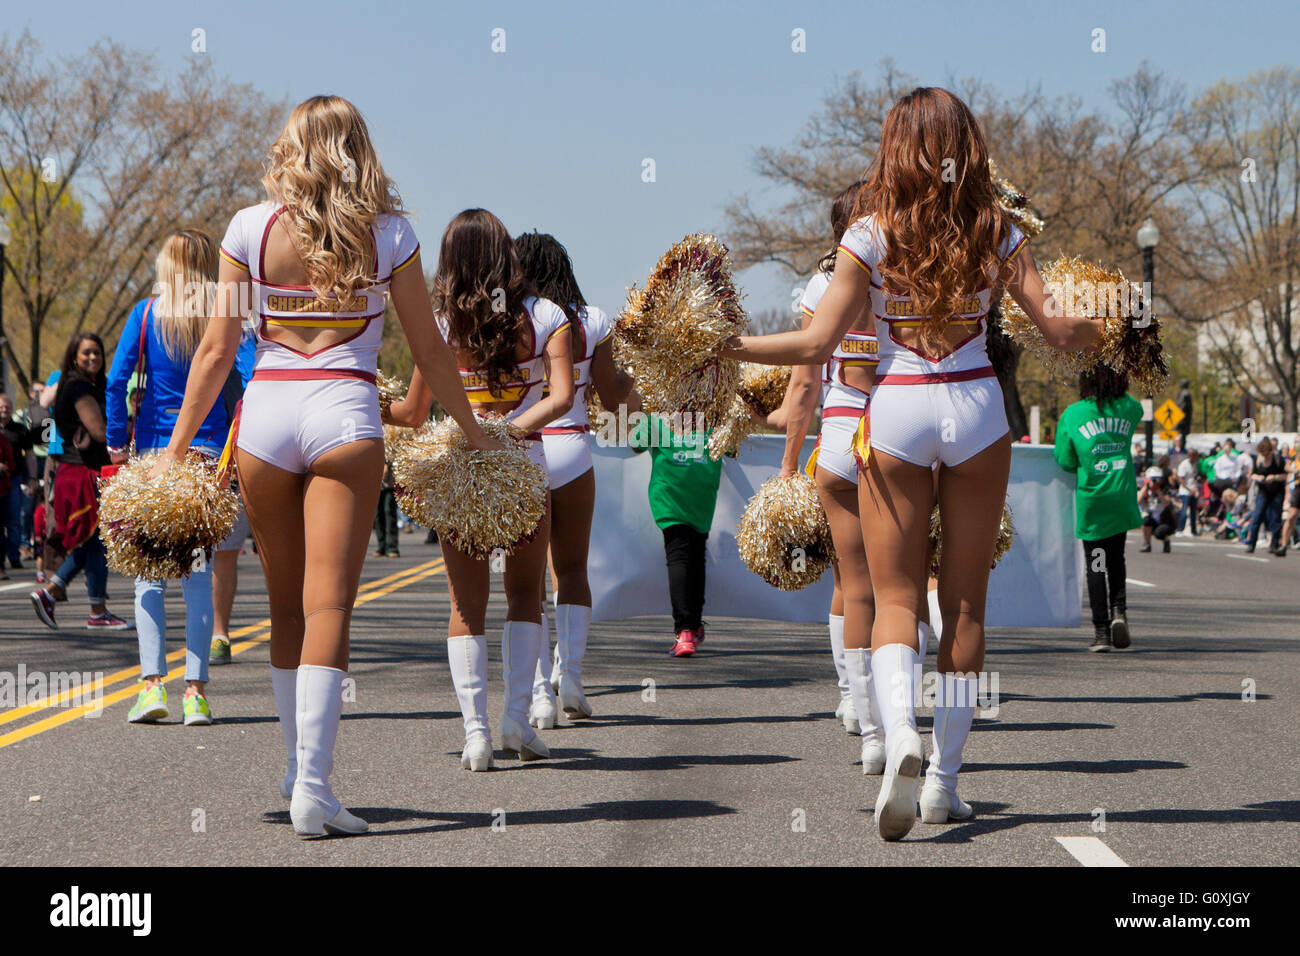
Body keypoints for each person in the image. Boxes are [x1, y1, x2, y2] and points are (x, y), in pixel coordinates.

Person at [726, 87, 1101, 839]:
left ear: (894, 147)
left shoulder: (867, 233)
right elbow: (1057, 331)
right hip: (975, 406)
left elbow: (813, 346)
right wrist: (1113, 329)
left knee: (895, 598)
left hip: (894, 408)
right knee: (962, 602)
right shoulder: (998, 228)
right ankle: (945, 783)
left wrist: (726, 346)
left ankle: (898, 736)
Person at [152, 95, 493, 836]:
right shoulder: (392, 232)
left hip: (267, 419)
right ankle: (313, 783)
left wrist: (174, 453)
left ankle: (297, 767)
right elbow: (430, 352)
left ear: (291, 148)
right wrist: (472, 430)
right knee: (330, 605)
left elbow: (214, 354)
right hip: (344, 412)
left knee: (283, 609)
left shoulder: (248, 227)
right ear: (359, 150)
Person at [390, 208, 574, 771]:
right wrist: (510, 433)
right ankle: (516, 718)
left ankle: (475, 735)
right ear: (505, 256)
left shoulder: (442, 326)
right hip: (523, 473)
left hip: (461, 475)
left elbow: (414, 413)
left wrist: (368, 398)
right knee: (526, 596)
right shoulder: (546, 315)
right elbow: (562, 397)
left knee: (466, 606)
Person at [765, 180, 893, 771]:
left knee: (853, 580)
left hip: (840, 438)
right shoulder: (908, 272)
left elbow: (804, 384)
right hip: (897, 431)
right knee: (907, 584)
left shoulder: (824, 284)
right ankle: (900, 713)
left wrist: (790, 463)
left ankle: (860, 713)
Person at [106, 230, 230, 726]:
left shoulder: (144, 315)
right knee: (199, 578)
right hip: (205, 455)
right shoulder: (221, 318)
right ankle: (195, 693)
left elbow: (117, 381)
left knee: (148, 578)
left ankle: (151, 687)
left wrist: (117, 439)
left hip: (155, 456)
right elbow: (245, 374)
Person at [514, 230, 637, 726]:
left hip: (526, 448)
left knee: (528, 583)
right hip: (574, 448)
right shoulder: (591, 321)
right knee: (572, 571)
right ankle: (573, 679)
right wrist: (644, 369)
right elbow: (613, 398)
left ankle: (539, 695)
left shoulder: (511, 319)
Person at [30, 333, 129, 630]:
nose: (93, 358)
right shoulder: (78, 386)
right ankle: (55, 593)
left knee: (95, 541)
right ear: (74, 356)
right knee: (94, 539)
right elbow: (99, 431)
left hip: (82, 472)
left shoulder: (86, 385)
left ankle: (92, 608)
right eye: (86, 353)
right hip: (81, 475)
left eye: (97, 352)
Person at [1053, 368, 1143, 651]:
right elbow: (1137, 408)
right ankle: (1120, 613)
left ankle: (1102, 633)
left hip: (1093, 497)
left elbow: (1064, 460)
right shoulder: (1128, 407)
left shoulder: (1073, 414)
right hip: (1121, 492)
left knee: (1096, 564)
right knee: (1117, 557)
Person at [628, 414, 724, 658]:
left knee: (679, 557)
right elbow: (732, 448)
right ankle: (694, 624)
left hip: (670, 497)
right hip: (702, 497)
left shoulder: (657, 417)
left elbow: (635, 443)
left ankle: (684, 631)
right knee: (696, 556)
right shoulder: (716, 416)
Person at [209, 321, 257, 666]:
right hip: (228, 453)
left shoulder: (274, 321)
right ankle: (219, 633)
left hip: (277, 447)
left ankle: (295, 630)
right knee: (225, 551)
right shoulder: (218, 326)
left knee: (282, 550)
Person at [1, 394, 37, 571]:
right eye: (1, 406)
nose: (4, 409)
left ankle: (14, 557)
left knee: (15, 519)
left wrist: (32, 478)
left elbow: (30, 455)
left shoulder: (21, 430)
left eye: (7, 406)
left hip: (14, 479)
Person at [1243, 436, 1287, 554]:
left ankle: (1274, 544)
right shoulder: (1257, 459)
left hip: (1277, 491)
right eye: (1263, 454)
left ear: (1270, 451)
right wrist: (1259, 477)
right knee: (1257, 516)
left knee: (1275, 518)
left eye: (1266, 454)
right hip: (1263, 491)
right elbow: (1251, 474)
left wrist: (1274, 477)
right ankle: (1251, 543)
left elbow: (1285, 476)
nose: (1264, 456)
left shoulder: (1278, 459)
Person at [1138, 463, 1177, 552]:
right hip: (1152, 518)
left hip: (1165, 520)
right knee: (1145, 520)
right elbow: (1137, 501)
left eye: (1158, 478)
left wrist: (1158, 491)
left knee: (1159, 533)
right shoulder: (1144, 490)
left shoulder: (1165, 489)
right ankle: (1147, 544)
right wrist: (1145, 487)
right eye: (1153, 478)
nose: (1156, 481)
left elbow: (1166, 503)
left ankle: (1166, 541)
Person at [1176, 448, 1203, 536]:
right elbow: (1180, 479)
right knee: (1184, 511)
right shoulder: (1184, 465)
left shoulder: (1196, 464)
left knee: (1193, 512)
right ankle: (1180, 530)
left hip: (1194, 490)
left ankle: (1193, 530)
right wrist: (1189, 489)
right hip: (1185, 491)